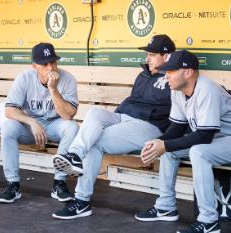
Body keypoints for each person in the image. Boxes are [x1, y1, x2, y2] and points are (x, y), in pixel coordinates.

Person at [135, 50, 231, 233]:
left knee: (198, 152)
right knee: (169, 151)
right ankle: (165, 207)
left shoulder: (207, 88)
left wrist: (165, 145)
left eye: (171, 71)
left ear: (188, 72)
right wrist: (157, 143)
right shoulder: (178, 90)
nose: (166, 76)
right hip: (219, 141)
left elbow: (204, 136)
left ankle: (208, 221)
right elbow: (177, 128)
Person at [51, 34, 176, 219]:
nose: (147, 58)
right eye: (147, 54)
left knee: (94, 142)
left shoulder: (173, 77)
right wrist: (114, 117)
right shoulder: (143, 75)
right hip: (123, 117)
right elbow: (133, 102)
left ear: (166, 56)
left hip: (148, 126)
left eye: (152, 54)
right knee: (94, 113)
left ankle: (81, 201)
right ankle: (75, 154)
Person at [0, 42, 79, 204]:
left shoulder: (68, 79)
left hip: (55, 124)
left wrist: (53, 89)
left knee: (72, 127)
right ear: (34, 66)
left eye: (53, 62)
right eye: (44, 64)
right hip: (31, 127)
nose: (50, 68)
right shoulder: (24, 78)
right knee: (7, 128)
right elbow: (10, 110)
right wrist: (31, 121)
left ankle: (59, 183)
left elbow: (68, 115)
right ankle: (13, 184)